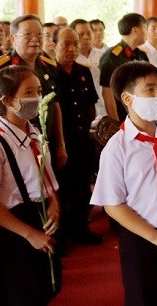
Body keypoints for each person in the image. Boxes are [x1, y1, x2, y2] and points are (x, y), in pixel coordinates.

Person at [90, 61, 157, 306]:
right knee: (144, 297)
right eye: (150, 89)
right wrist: (156, 237)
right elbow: (113, 205)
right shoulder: (117, 148)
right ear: (127, 98)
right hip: (142, 237)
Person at [0, 66, 61, 305]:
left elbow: (49, 182)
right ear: (8, 100)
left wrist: (54, 204)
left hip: (37, 217)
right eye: (28, 92)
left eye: (39, 91)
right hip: (10, 228)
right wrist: (30, 234)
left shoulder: (37, 136)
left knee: (41, 288)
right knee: (16, 292)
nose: (37, 98)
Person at [0, 14, 67, 169]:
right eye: (28, 34)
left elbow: (55, 105)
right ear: (13, 38)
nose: (35, 39)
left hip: (44, 141)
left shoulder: (49, 66)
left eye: (39, 34)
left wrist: (61, 144)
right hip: (11, 144)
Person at [53, 27, 102, 245]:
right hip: (61, 140)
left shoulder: (83, 71)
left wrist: (92, 135)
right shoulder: (48, 72)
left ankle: (81, 229)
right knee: (63, 189)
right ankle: (62, 235)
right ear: (54, 45)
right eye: (66, 44)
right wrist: (58, 143)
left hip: (83, 138)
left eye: (75, 44)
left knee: (83, 187)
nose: (72, 49)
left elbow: (91, 106)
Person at [99, 13, 149, 122]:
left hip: (141, 115)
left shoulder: (141, 55)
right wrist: (117, 124)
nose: (147, 32)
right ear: (135, 30)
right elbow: (107, 93)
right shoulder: (112, 57)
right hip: (122, 116)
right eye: (145, 28)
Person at [71, 18, 107, 117]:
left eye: (89, 33)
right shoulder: (71, 59)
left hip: (105, 106)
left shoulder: (103, 55)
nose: (86, 37)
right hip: (83, 110)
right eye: (81, 34)